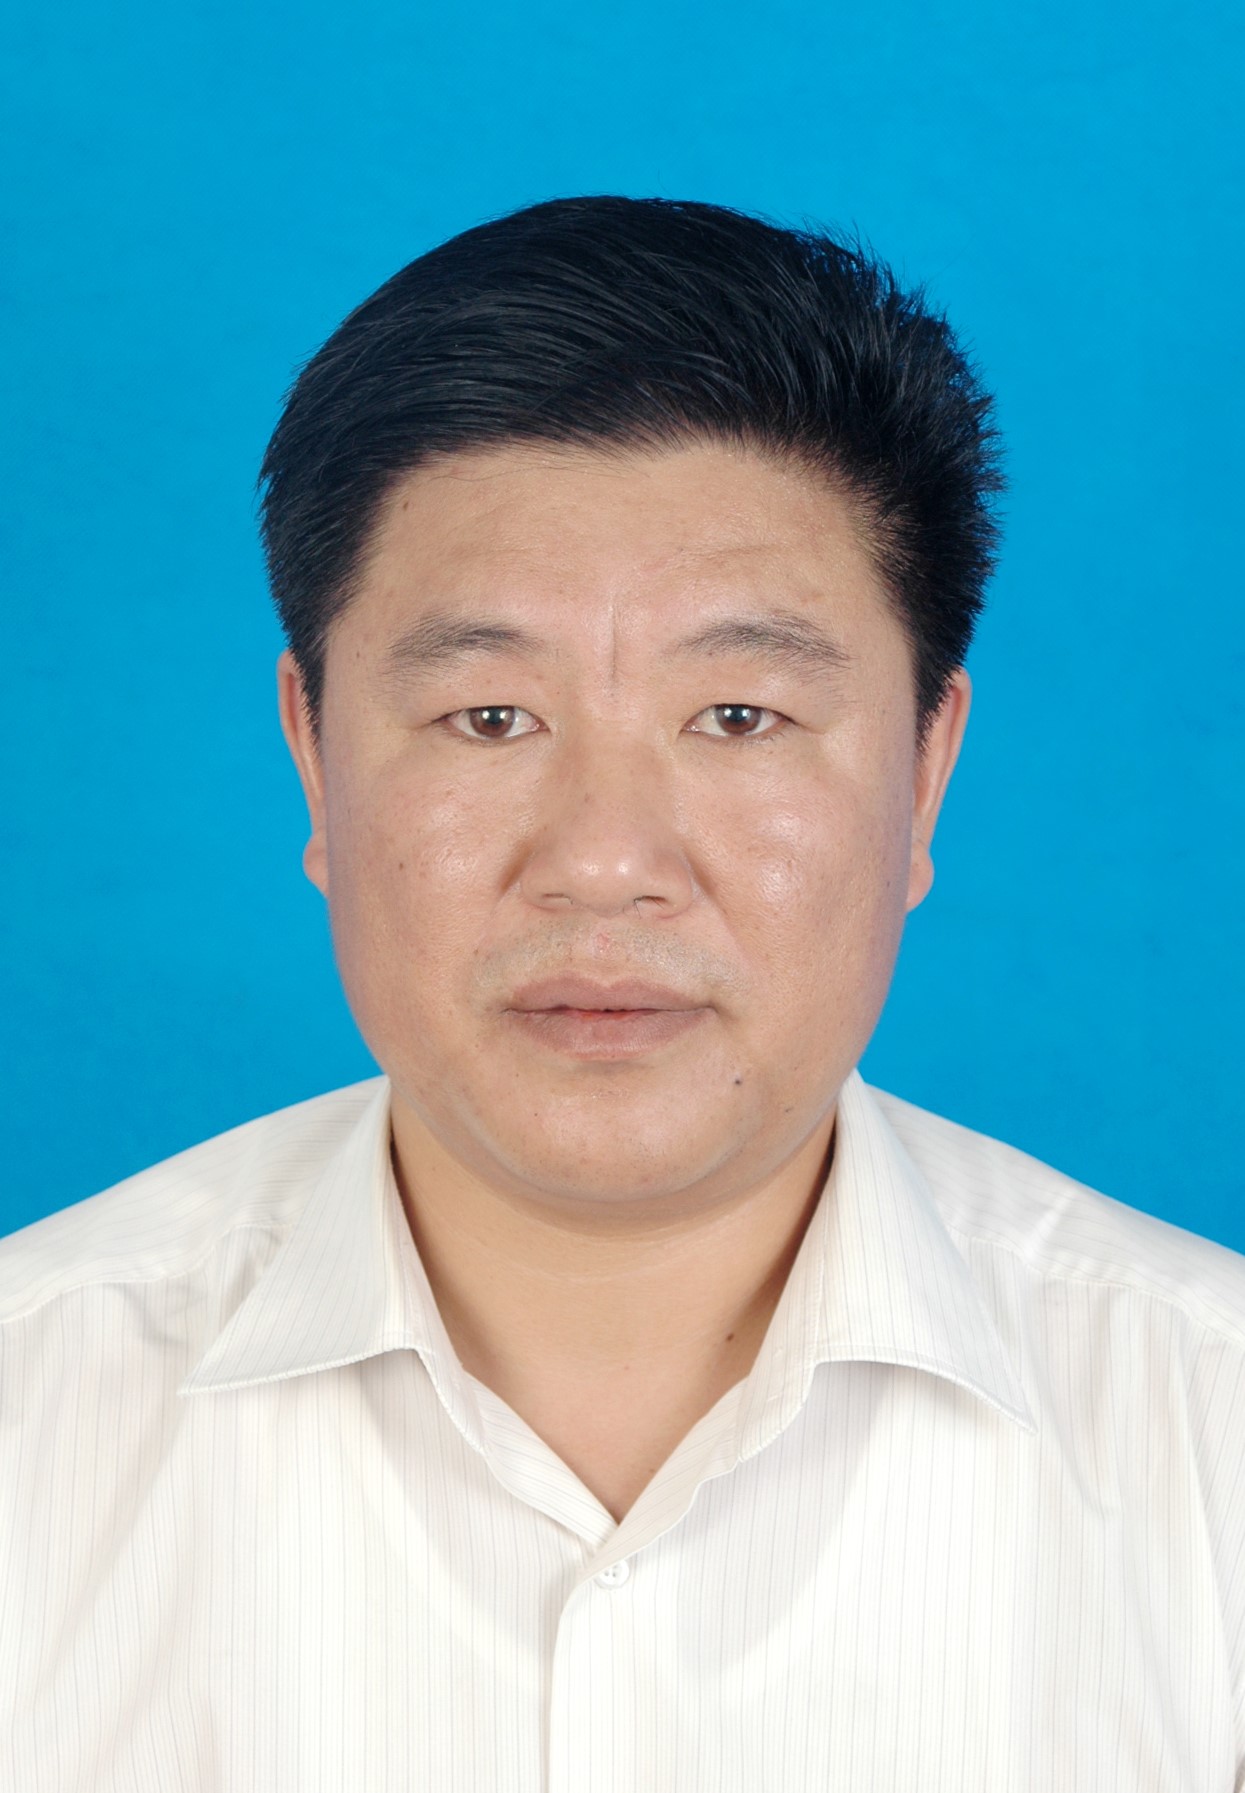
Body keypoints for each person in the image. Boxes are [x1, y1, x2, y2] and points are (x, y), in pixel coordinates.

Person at [2, 195, 1243, 1793]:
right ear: (311, 751)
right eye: (488, 718)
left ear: (925, 767)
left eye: (736, 716)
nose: (602, 862)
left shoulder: (1207, 1435)